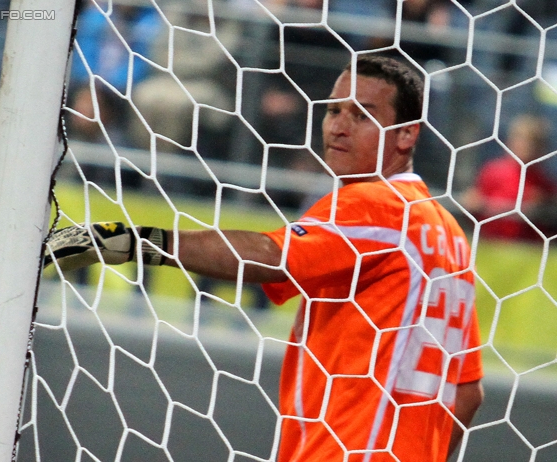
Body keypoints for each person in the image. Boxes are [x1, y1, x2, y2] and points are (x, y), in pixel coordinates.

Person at [44, 55, 484, 461]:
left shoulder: (375, 205)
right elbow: (467, 394)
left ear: (406, 134)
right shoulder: (451, 236)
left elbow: (271, 255)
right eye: (333, 110)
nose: (338, 127)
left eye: (362, 114)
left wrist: (131, 241)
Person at [461, 114, 557, 242]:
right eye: (521, 139)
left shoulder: (543, 182)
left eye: (533, 141)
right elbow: (473, 204)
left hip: (525, 247)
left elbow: (549, 222)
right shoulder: (493, 171)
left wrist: (544, 205)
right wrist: (471, 204)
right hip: (491, 241)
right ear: (511, 141)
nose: (526, 146)